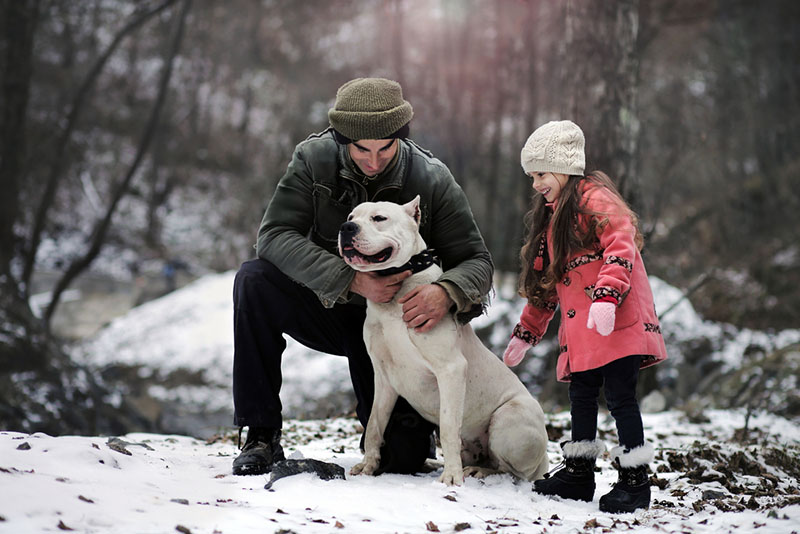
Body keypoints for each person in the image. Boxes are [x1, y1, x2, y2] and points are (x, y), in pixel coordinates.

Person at [231, 78, 494, 477]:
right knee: (253, 281)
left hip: (400, 325)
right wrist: (348, 280)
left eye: (385, 149)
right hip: (331, 304)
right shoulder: (313, 159)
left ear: (401, 137)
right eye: (361, 150)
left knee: (401, 461)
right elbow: (273, 236)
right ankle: (261, 434)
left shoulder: (432, 178)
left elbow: (477, 260)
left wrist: (446, 292)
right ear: (342, 139)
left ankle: (410, 439)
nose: (373, 162)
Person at [502, 120, 667, 513]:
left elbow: (621, 243)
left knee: (621, 397)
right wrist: (526, 332)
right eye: (532, 176)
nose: (536, 184)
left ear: (563, 168)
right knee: (581, 396)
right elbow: (547, 285)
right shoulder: (552, 220)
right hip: (583, 334)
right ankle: (579, 474)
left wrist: (607, 296)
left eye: (541, 174)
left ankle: (635, 482)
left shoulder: (596, 199)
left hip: (617, 321)